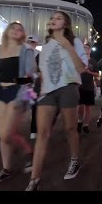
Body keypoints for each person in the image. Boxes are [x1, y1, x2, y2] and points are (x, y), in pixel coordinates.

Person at [25, 11, 88, 191]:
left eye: (58, 18)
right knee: (42, 133)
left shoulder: (75, 42)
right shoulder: (45, 45)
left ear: (66, 24)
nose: (53, 20)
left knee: (70, 129)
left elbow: (82, 68)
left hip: (68, 86)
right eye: (52, 18)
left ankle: (75, 160)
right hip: (48, 91)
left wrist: (67, 45)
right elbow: (42, 71)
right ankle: (34, 179)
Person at [0, 22, 37, 186]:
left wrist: (21, 82)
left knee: (7, 133)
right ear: (7, 32)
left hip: (18, 92)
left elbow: (32, 74)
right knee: (4, 135)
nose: (17, 31)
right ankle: (6, 169)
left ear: (22, 34)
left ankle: (30, 152)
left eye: (20, 29)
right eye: (13, 28)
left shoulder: (26, 50)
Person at [77, 43, 99, 134]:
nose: (86, 49)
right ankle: (79, 122)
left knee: (88, 107)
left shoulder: (93, 62)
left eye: (87, 48)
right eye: (84, 48)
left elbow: (97, 74)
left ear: (90, 50)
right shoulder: (78, 60)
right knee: (80, 106)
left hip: (89, 86)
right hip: (79, 86)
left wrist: (89, 72)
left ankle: (86, 125)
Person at [26, 35, 40, 140]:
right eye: (29, 41)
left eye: (32, 42)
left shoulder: (39, 55)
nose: (30, 43)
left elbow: (39, 72)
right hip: (21, 86)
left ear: (36, 43)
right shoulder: (21, 54)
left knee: (34, 108)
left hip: (33, 87)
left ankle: (34, 129)